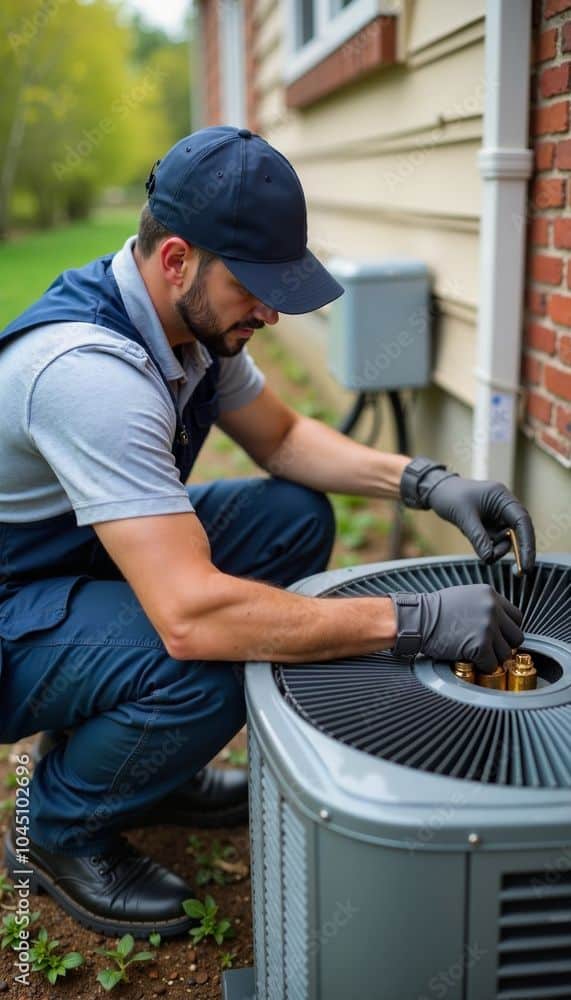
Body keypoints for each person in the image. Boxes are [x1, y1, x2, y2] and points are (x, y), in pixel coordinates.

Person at [0, 125, 534, 938]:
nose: (274, 310)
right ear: (177, 259)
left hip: (67, 569)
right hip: (11, 613)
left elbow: (282, 439)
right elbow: (191, 616)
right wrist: (413, 623)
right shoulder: (88, 375)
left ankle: (148, 766)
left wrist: (429, 483)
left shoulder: (188, 325)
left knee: (290, 519)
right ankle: (57, 830)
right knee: (213, 657)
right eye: (256, 285)